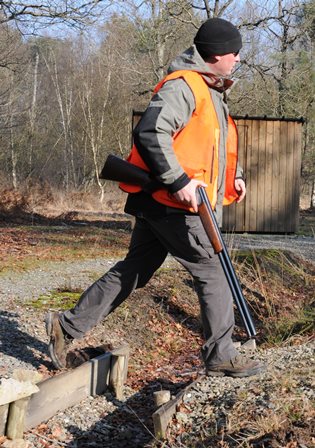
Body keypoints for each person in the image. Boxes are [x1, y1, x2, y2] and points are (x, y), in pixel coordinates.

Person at [46, 18, 265, 377]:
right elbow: (150, 132)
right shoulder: (185, 86)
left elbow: (212, 150)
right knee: (214, 272)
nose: (238, 59)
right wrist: (177, 180)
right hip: (174, 203)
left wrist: (235, 178)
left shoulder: (211, 92)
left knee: (135, 269)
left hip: (166, 202)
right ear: (216, 54)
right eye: (235, 52)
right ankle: (222, 355)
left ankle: (65, 327)